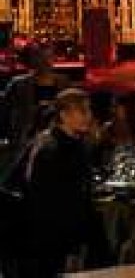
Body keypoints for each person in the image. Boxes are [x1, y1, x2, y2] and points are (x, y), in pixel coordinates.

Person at [13, 88, 97, 277]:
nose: (89, 116)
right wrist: (71, 248)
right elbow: (51, 205)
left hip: (57, 242)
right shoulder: (50, 149)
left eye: (89, 110)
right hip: (46, 246)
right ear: (64, 115)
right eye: (82, 111)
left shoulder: (76, 145)